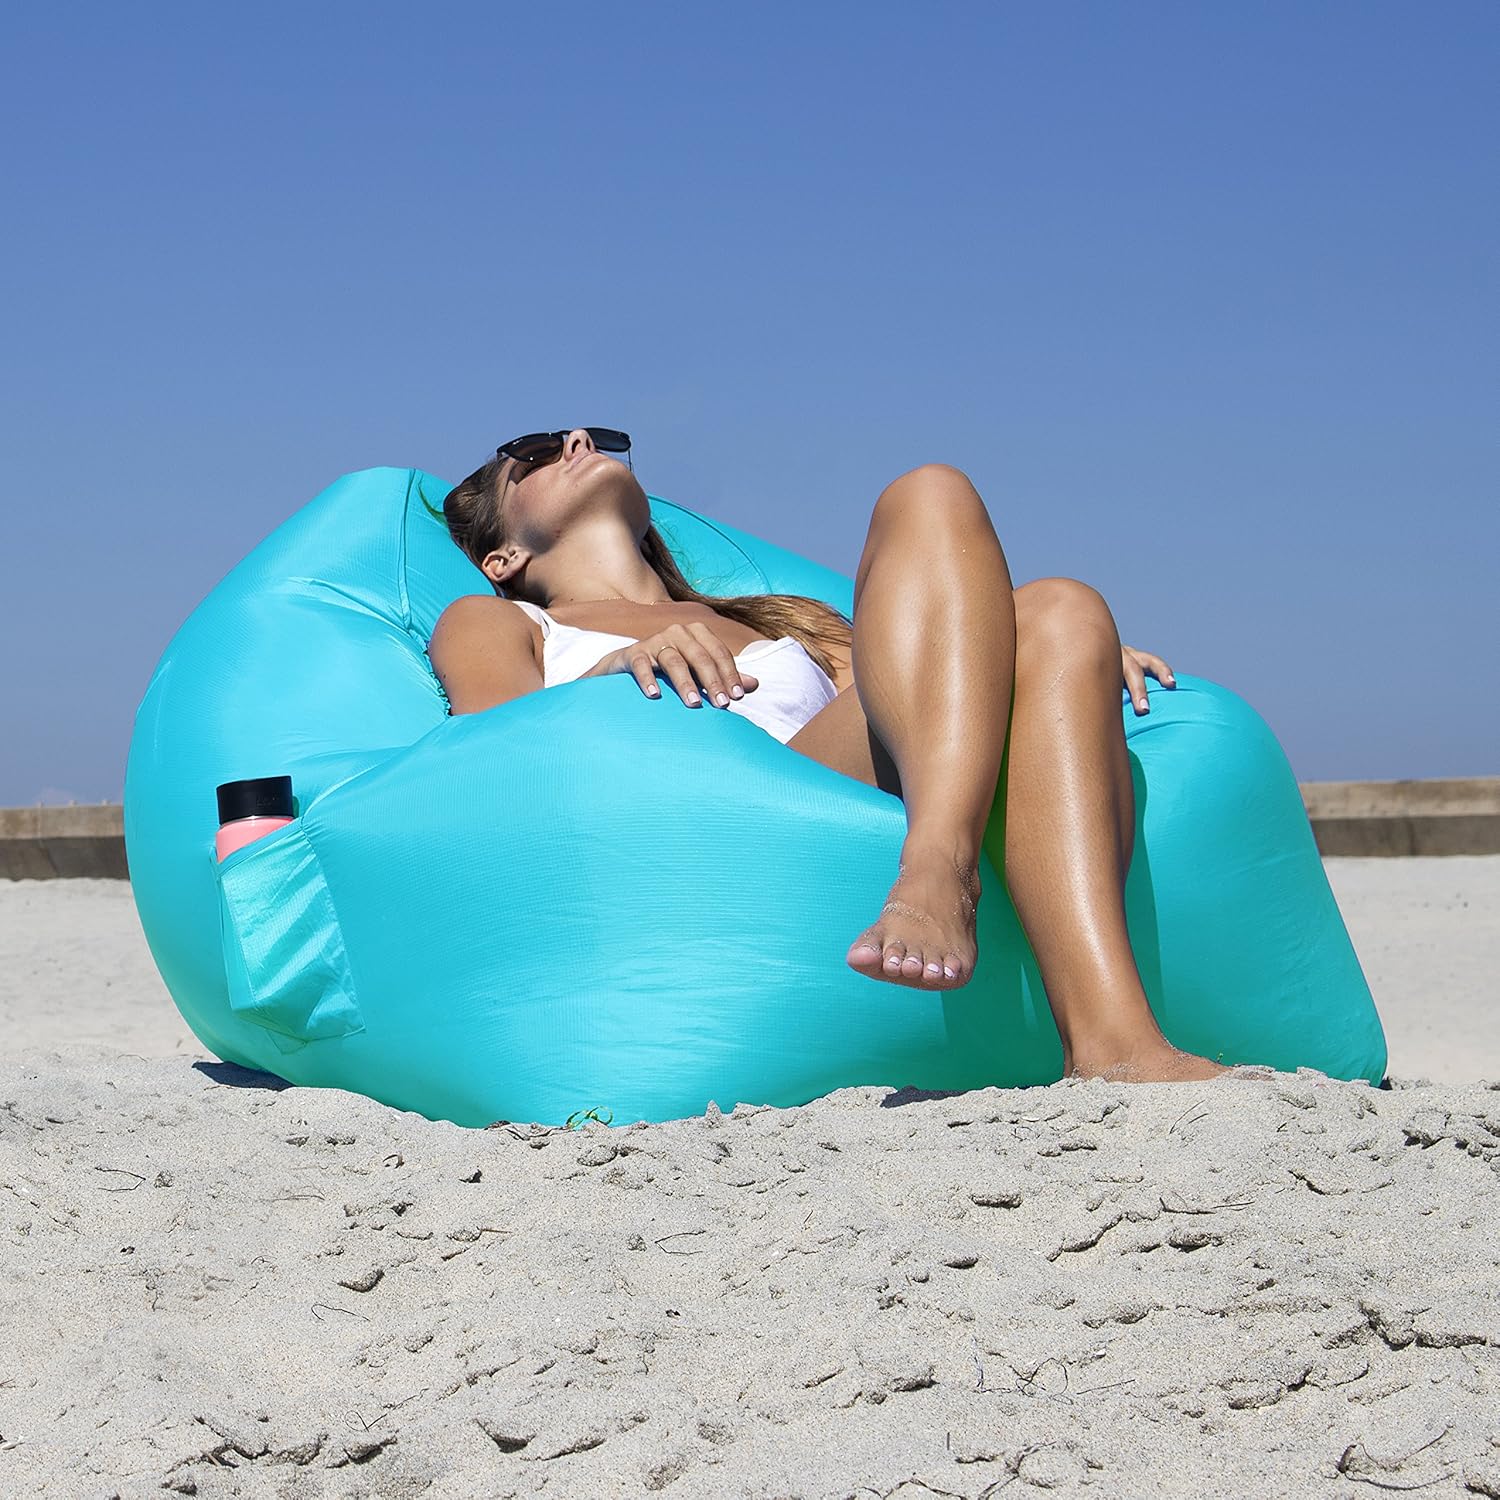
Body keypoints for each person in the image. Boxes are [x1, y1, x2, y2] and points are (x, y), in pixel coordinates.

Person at [428, 427, 1228, 1083]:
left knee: (1032, 581)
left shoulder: (791, 623)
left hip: (854, 787)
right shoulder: (498, 621)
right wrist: (606, 675)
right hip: (719, 823)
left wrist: (1061, 660)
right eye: (531, 454)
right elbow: (501, 754)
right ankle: (942, 871)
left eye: (599, 437)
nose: (577, 439)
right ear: (504, 558)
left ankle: (1114, 1043)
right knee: (1054, 612)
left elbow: (934, 676)